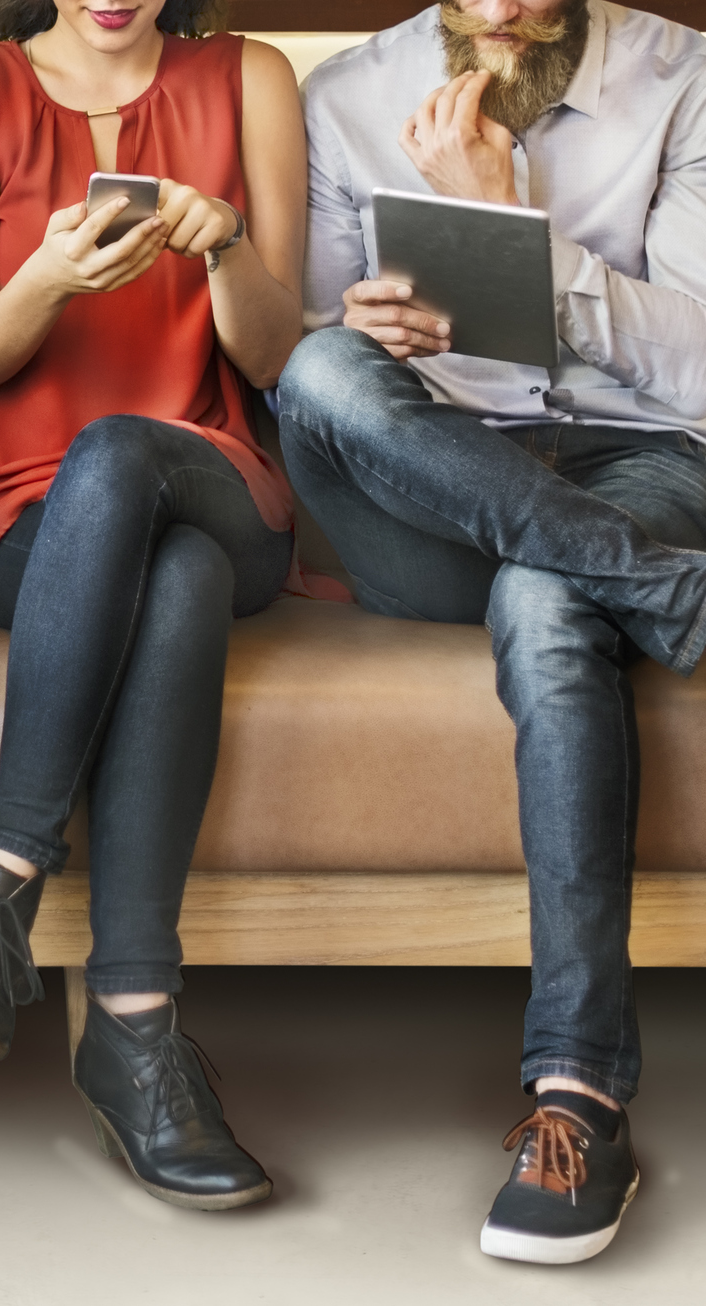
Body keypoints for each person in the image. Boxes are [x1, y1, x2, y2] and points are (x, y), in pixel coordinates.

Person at [281, 0, 706, 1265]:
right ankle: (670, 593)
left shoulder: (685, 80)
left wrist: (515, 241)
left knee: (545, 597)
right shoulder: (346, 92)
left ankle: (575, 1092)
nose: (509, 12)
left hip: (638, 459)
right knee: (316, 381)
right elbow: (309, 342)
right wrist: (365, 329)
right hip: (435, 481)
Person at [0, 0, 308, 1210]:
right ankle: (134, 1034)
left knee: (132, 458)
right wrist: (48, 275)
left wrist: (228, 245)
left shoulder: (250, 78)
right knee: (167, 570)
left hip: (218, 478)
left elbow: (274, 357)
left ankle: (3, 882)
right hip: (27, 518)